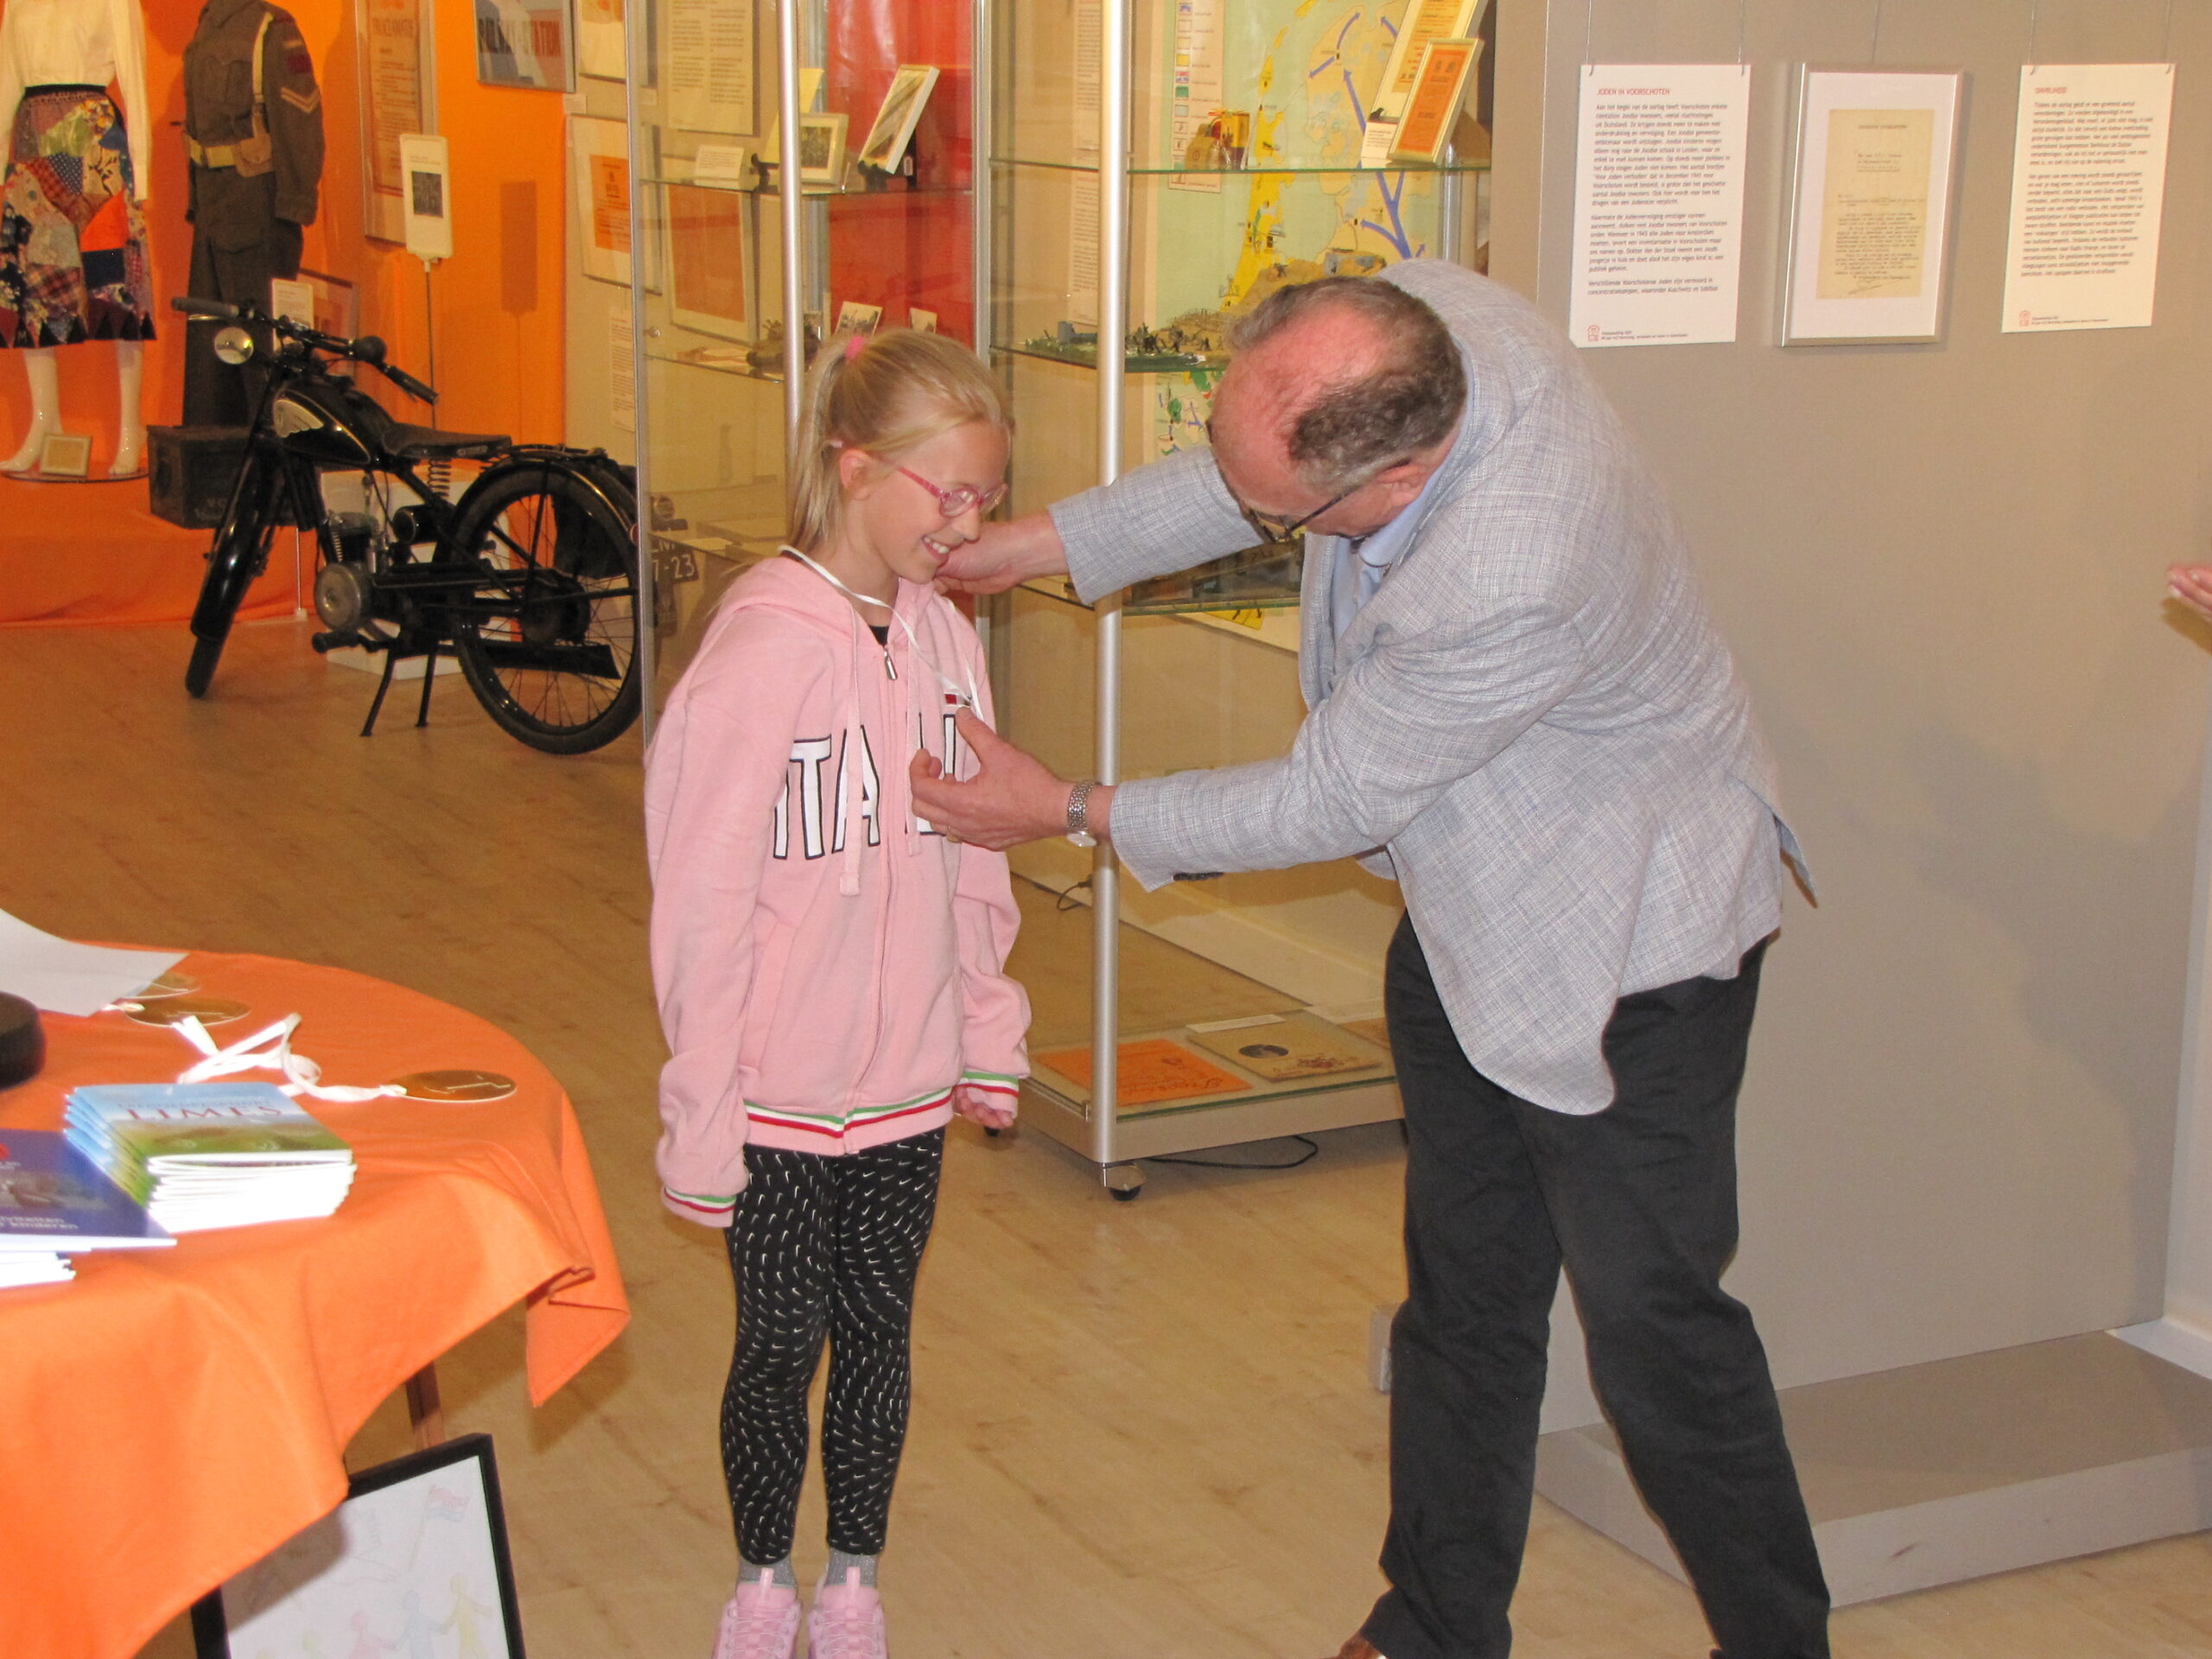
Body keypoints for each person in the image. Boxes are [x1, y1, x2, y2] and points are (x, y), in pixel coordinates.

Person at [912, 264, 1830, 1659]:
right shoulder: (1412, 328)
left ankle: (1782, 1645)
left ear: (1390, 483)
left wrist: (1065, 808)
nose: (1241, 492)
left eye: (1283, 507)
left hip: (1627, 948)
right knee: (1462, 1296)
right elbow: (1240, 474)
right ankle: (1436, 1628)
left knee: (1658, 1333)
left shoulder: (1518, 567)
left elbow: (1321, 802)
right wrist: (1032, 545)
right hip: (1468, 903)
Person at [646, 329, 1031, 1659]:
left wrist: (987, 1030)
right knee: (778, 1341)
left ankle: (852, 1581)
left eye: (989, 496)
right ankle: (763, 1580)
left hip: (908, 1084)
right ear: (856, 469)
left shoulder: (945, 645)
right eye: (953, 496)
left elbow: (977, 860)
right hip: (774, 1091)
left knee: (878, 1330)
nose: (970, 526)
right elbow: (698, 900)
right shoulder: (761, 646)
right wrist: (703, 1107)